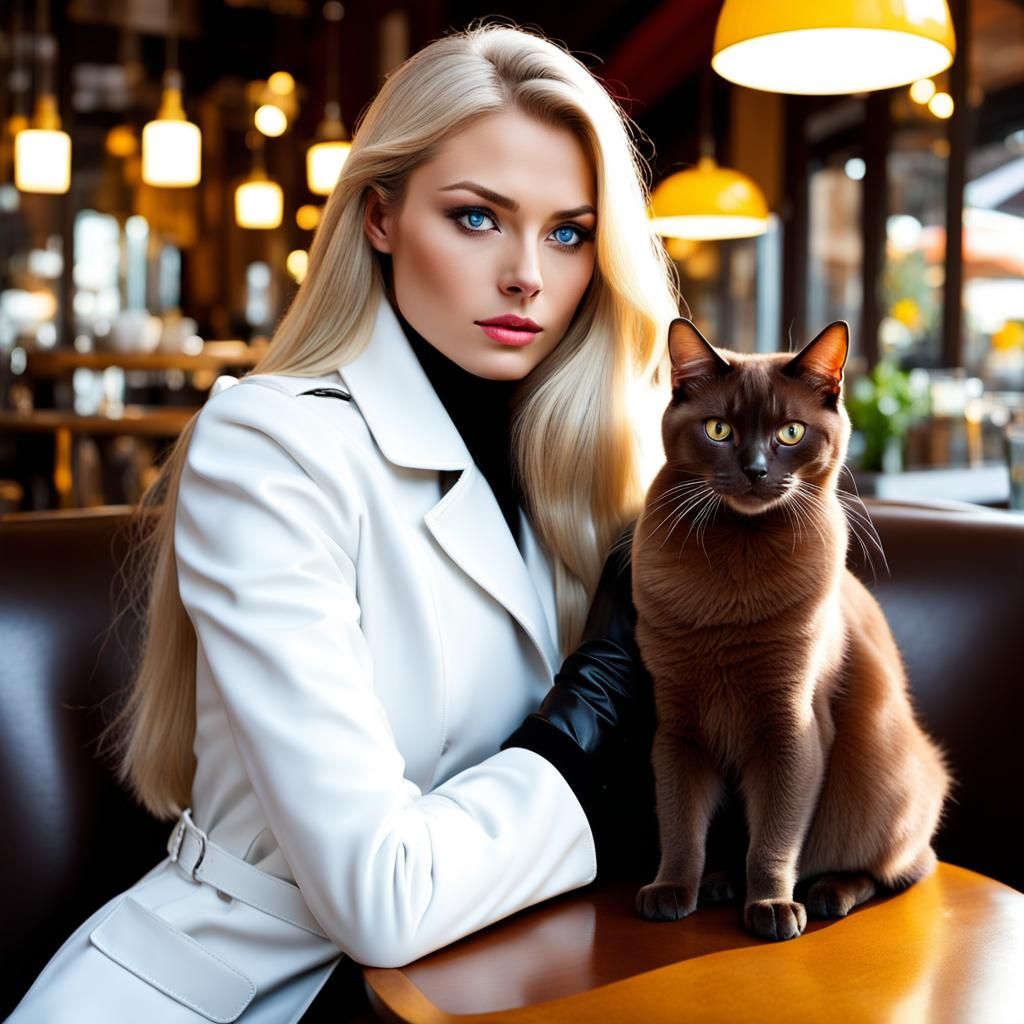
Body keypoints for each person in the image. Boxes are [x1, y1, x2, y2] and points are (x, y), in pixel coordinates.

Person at [8, 21, 679, 1023]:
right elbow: (382, 898)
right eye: (476, 217)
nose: (527, 276)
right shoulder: (268, 445)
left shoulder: (595, 468)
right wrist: (601, 708)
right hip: (230, 991)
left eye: (569, 233)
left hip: (489, 983)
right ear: (379, 217)